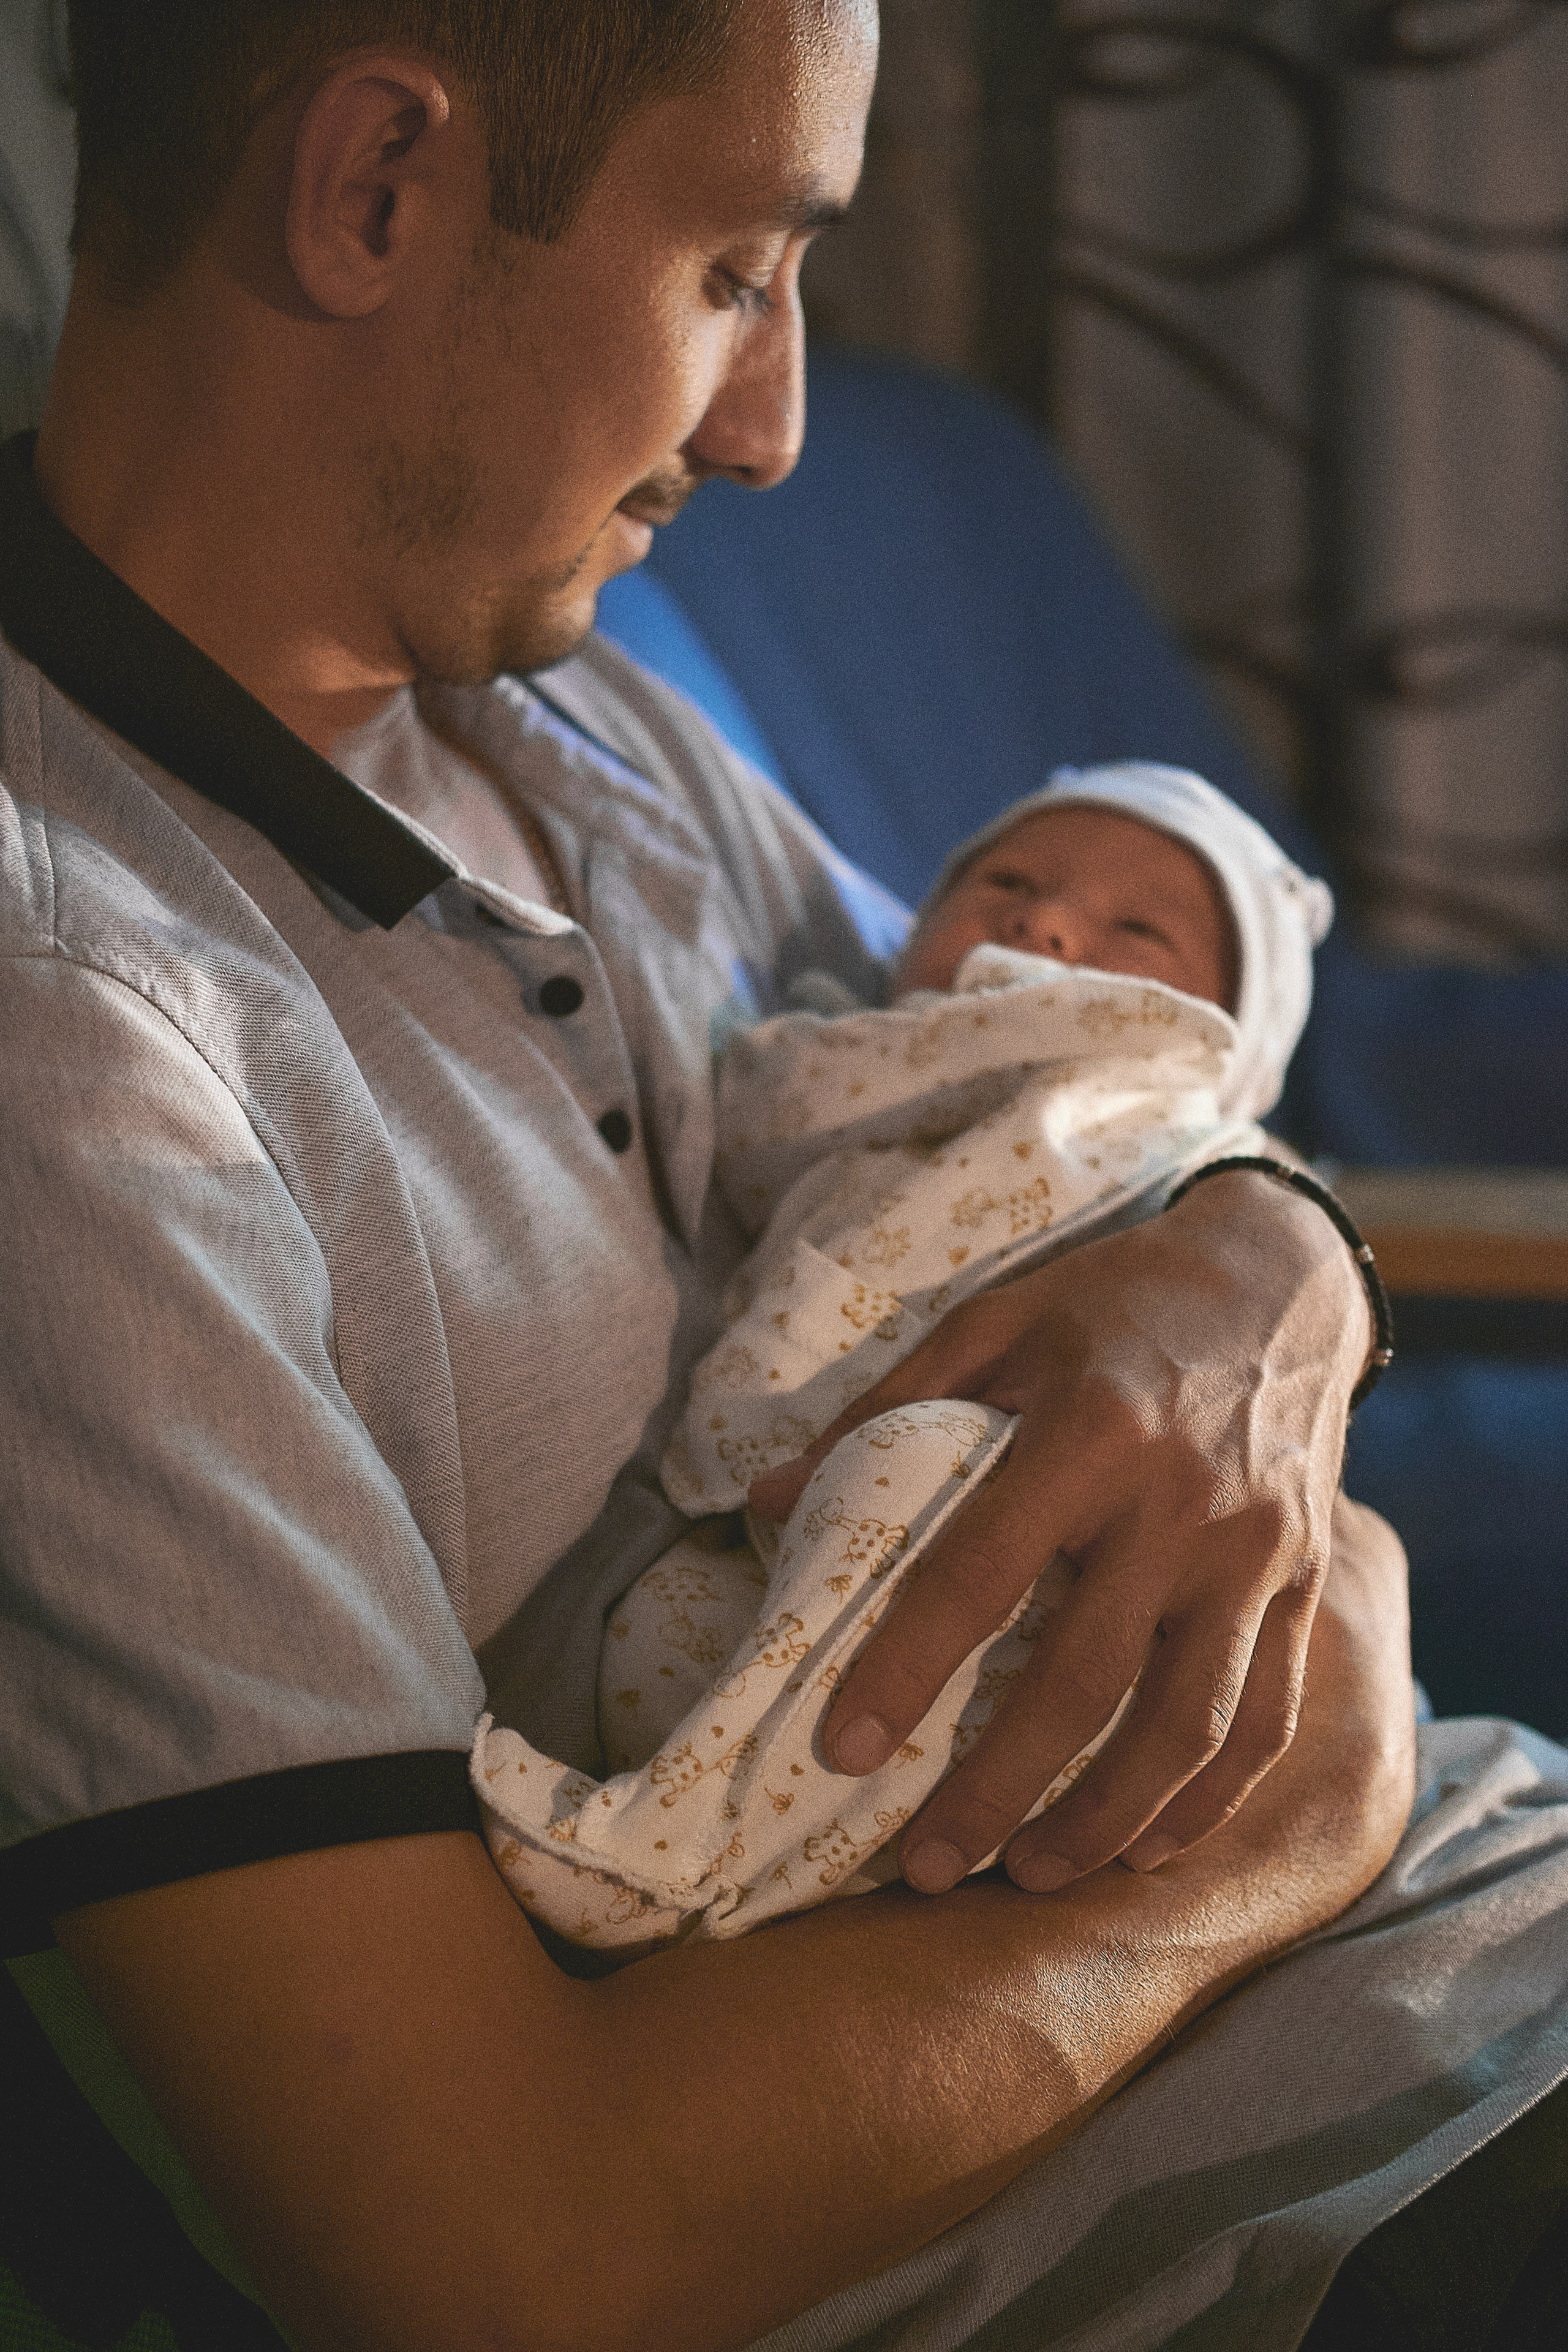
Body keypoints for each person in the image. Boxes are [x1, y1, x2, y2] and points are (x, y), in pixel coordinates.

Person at [1, 6, 1566, 2351]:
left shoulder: (562, 710)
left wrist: (1275, 1255)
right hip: (1341, 2176)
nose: (775, 428)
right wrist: (1282, 1842)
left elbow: (1086, 1092)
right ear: (377, 191)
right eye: (742, 267)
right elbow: (499, 2247)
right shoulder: (77, 1031)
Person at [478, 763, 1341, 1953]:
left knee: (911, 1461)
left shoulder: (1173, 1130)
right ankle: (780, 1851)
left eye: (1137, 930)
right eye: (1007, 881)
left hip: (1031, 1553)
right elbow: (738, 1152)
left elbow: (1269, 1258)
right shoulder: (828, 1069)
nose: (1044, 924)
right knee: (654, 1626)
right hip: (764, 1537)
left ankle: (673, 1849)